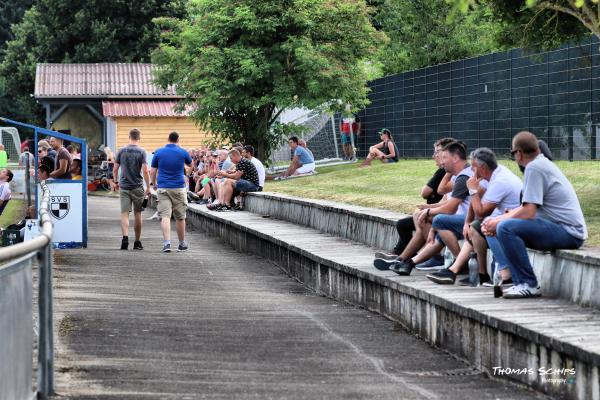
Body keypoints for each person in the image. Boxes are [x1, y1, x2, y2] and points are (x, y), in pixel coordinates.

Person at [481, 131, 587, 299]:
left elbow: (528, 212)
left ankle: (528, 284)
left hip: (569, 232)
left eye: (513, 154)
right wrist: (496, 220)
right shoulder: (541, 164)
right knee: (501, 224)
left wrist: (499, 222)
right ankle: (519, 282)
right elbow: (528, 207)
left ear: (519, 153)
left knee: (506, 228)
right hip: (562, 228)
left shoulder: (534, 168)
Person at [426, 147, 522, 285]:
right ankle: (478, 275)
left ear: (482, 168)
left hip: (512, 219)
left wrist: (472, 190)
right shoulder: (491, 173)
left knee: (484, 225)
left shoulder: (500, 180)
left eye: (474, 167)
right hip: (502, 217)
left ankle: (505, 275)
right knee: (475, 227)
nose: (471, 170)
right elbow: (477, 203)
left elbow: (481, 212)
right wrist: (467, 221)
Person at [376, 141, 473, 275]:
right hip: (462, 219)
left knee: (437, 220)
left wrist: (428, 210)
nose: (439, 159)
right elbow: (445, 198)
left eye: (443, 156)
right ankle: (404, 261)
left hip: (469, 220)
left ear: (455, 158)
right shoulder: (458, 176)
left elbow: (447, 206)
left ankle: (459, 263)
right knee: (434, 228)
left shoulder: (464, 177)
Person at [150, 131, 193, 252]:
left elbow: (152, 171)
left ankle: (167, 243)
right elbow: (191, 164)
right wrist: (187, 176)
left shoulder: (159, 152)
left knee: (165, 216)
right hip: (179, 187)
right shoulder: (182, 151)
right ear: (178, 139)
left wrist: (153, 184)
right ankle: (181, 243)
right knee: (180, 217)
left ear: (168, 139)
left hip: (163, 187)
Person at [114, 128, 151, 250]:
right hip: (137, 187)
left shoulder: (121, 151)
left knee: (124, 214)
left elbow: (115, 169)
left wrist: (115, 182)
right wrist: (148, 186)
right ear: (139, 138)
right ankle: (137, 242)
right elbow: (145, 171)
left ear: (129, 137)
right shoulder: (142, 152)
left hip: (124, 187)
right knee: (138, 214)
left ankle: (125, 239)